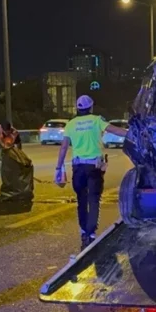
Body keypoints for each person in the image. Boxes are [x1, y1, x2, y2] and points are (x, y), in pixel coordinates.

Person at [55, 95, 127, 248]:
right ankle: (91, 233)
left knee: (81, 199)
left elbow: (63, 147)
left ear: (78, 108)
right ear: (91, 107)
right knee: (93, 200)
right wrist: (133, 133)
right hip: (94, 167)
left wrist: (58, 167)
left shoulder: (71, 124)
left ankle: (83, 231)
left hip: (78, 167)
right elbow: (115, 130)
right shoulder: (96, 120)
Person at [0, 122, 34, 205]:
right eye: (5, 131)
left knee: (13, 171)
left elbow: (18, 145)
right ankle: (7, 192)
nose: (7, 133)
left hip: (11, 151)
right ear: (3, 129)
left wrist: (19, 157)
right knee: (3, 171)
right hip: (2, 150)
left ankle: (14, 191)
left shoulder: (14, 133)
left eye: (8, 131)